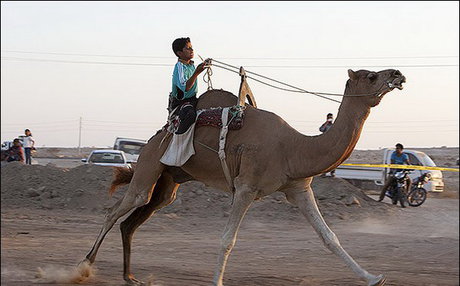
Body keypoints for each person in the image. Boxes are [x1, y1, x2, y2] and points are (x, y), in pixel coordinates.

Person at [169, 37, 210, 134]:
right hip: (181, 102)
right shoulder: (179, 67)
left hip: (193, 99)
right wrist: (196, 73)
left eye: (191, 47)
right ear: (180, 53)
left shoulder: (191, 65)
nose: (191, 50)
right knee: (190, 115)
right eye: (188, 48)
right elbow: (186, 88)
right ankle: (179, 137)